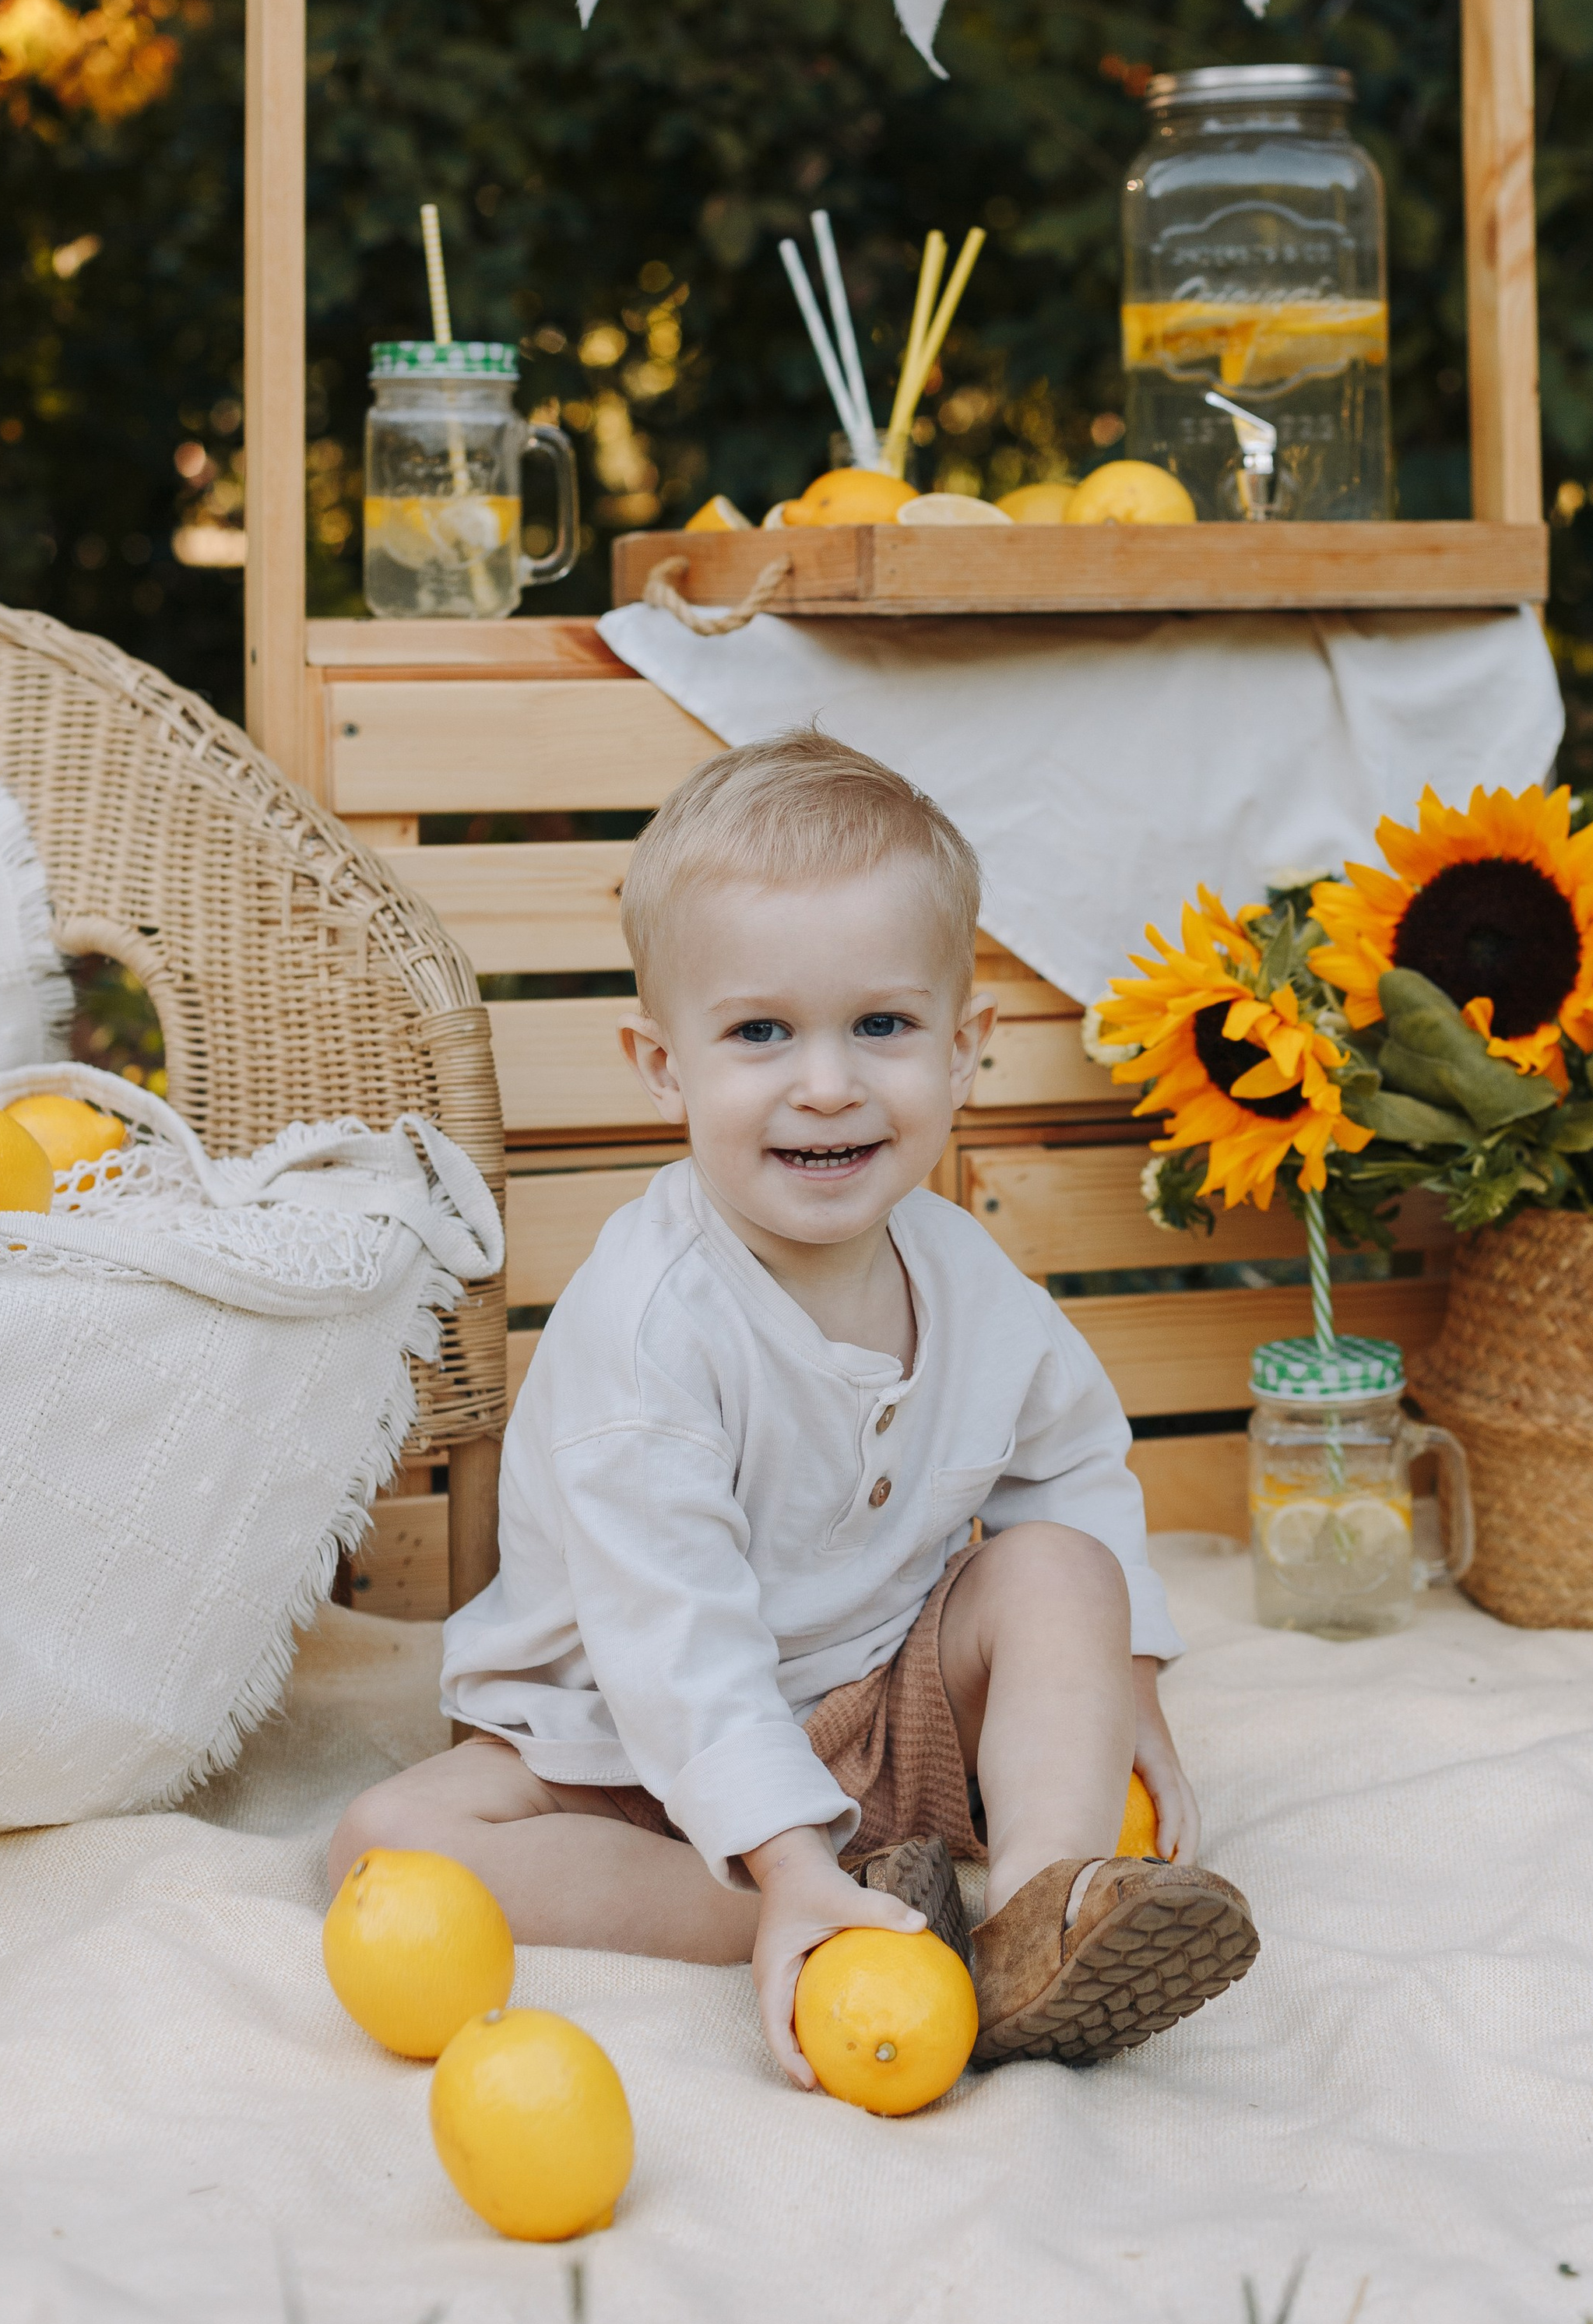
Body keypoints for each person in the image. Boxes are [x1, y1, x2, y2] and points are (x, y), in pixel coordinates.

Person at [330, 728, 1257, 2084]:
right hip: (626, 1744)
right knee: (388, 1840)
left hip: (885, 1702)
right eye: (761, 1032)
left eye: (881, 1026)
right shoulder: (650, 1326)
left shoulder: (967, 1278)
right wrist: (781, 1852)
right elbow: (674, 1642)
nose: (826, 1081)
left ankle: (1042, 1907)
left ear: (965, 1049)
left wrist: (1125, 1691)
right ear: (664, 1067)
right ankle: (796, 1909)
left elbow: (1068, 1462)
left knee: (1062, 1569)